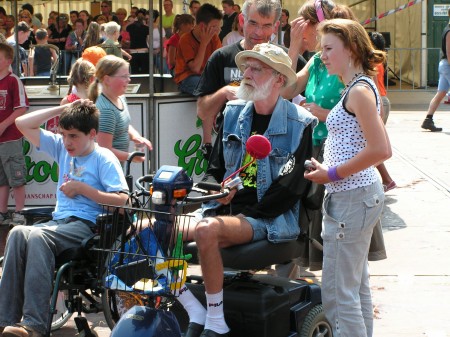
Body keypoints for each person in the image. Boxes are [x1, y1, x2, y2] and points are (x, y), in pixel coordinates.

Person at [178, 43, 316, 337]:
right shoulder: (232, 112)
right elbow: (214, 170)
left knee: (206, 231)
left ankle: (216, 322)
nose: (246, 74)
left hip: (268, 218)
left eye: (256, 69)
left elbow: (291, 188)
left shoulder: (300, 123)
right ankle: (192, 307)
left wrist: (239, 214)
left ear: (279, 79)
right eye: (246, 68)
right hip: (223, 211)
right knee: (145, 227)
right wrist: (217, 191)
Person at [0, 99, 129, 337]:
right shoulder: (61, 147)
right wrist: (64, 109)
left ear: (92, 134)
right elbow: (21, 123)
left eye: (73, 136)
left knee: (38, 236)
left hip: (88, 227)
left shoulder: (104, 158)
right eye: (64, 134)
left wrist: (83, 189)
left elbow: (123, 201)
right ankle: (5, 320)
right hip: (59, 223)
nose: (67, 141)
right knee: (17, 233)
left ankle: (34, 325)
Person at [304, 18, 391, 337]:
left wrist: (332, 173)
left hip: (352, 200)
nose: (322, 56)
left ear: (351, 48)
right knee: (355, 290)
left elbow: (382, 149)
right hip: (356, 197)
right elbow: (377, 143)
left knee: (339, 296)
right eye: (320, 49)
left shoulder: (359, 91)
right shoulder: (359, 87)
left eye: (328, 48)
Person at [194, 0, 307, 159]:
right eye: (253, 23)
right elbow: (202, 112)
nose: (259, 32)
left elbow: (310, 101)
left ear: (275, 27)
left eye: (266, 25)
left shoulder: (288, 61)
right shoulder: (221, 58)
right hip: (231, 151)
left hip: (277, 154)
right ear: (241, 21)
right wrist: (224, 92)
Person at [88, 55, 152, 163]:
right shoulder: (106, 111)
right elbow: (104, 150)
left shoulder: (121, 98)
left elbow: (123, 125)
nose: (129, 79)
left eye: (128, 75)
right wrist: (131, 156)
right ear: (107, 79)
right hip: (106, 173)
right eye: (124, 76)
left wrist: (136, 136)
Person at [0, 44, 28, 227]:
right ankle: (2, 213)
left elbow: (22, 107)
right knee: (1, 179)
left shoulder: (13, 80)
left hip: (10, 137)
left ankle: (19, 212)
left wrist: (3, 125)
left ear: (8, 61)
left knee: (16, 177)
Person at [369, 31, 397, 192]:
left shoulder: (373, 62)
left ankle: (386, 179)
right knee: (370, 143)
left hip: (379, 102)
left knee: (370, 144)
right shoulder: (380, 61)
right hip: (382, 100)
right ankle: (386, 180)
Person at [174, 4, 222, 95]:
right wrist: (204, 43)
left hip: (207, 78)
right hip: (188, 78)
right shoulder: (185, 39)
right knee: (208, 87)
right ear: (202, 26)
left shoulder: (214, 38)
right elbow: (195, 68)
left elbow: (220, 63)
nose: (218, 30)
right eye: (214, 26)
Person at [421, 9, 449, 132]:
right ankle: (428, 120)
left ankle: (428, 120)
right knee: (440, 94)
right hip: (448, 65)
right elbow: (449, 51)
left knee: (440, 93)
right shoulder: (449, 31)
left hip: (445, 65)